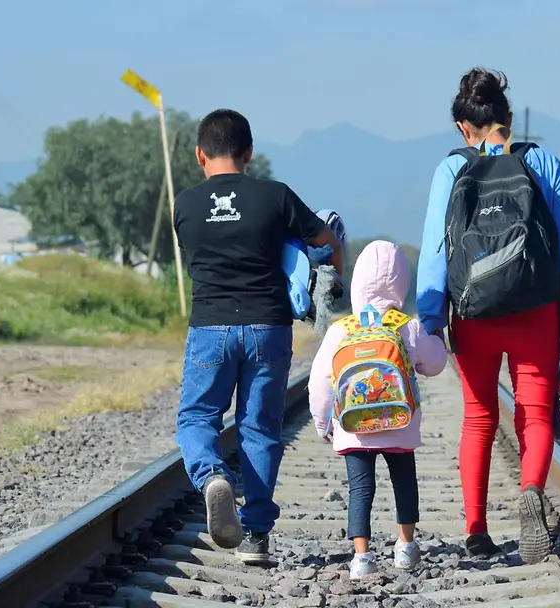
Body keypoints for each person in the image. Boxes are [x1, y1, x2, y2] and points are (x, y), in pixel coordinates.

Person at [416, 68, 560, 564]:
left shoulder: (451, 169)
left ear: (462, 128)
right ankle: (531, 490)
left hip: (474, 313)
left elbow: (435, 250)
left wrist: (432, 318)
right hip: (536, 310)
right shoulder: (544, 163)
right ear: (509, 120)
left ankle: (476, 530)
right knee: (535, 414)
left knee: (479, 418)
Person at [173, 109, 344, 564]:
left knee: (196, 419)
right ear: (249, 153)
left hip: (210, 327)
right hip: (268, 327)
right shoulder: (275, 196)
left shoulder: (185, 204)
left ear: (199, 155)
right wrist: (333, 283)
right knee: (259, 430)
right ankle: (256, 537)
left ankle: (212, 476)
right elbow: (327, 241)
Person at [308, 240, 447, 579]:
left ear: (358, 282)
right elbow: (435, 364)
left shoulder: (342, 329)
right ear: (402, 282)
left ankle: (362, 556)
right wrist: (437, 337)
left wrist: (323, 423)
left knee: (360, 489)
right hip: (399, 424)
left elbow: (320, 382)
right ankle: (405, 547)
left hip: (354, 427)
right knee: (404, 482)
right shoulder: (406, 325)